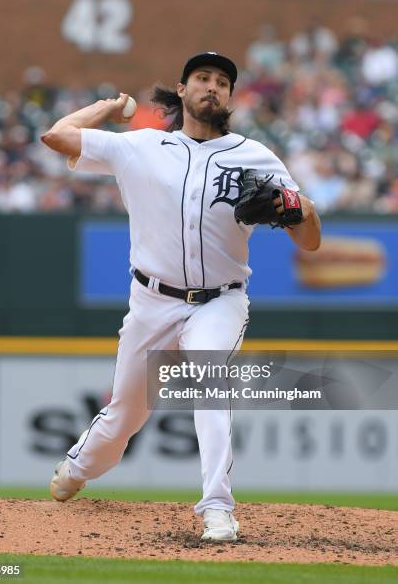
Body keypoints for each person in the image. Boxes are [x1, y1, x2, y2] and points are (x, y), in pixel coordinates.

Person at [41, 52, 321, 541]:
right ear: (183, 89)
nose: (211, 86)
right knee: (126, 415)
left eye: (221, 81)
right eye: (202, 78)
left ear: (230, 97)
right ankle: (80, 465)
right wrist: (107, 107)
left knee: (212, 383)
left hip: (220, 300)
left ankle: (217, 507)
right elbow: (56, 136)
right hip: (152, 301)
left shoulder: (255, 156)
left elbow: (310, 239)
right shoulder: (143, 147)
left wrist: (301, 208)